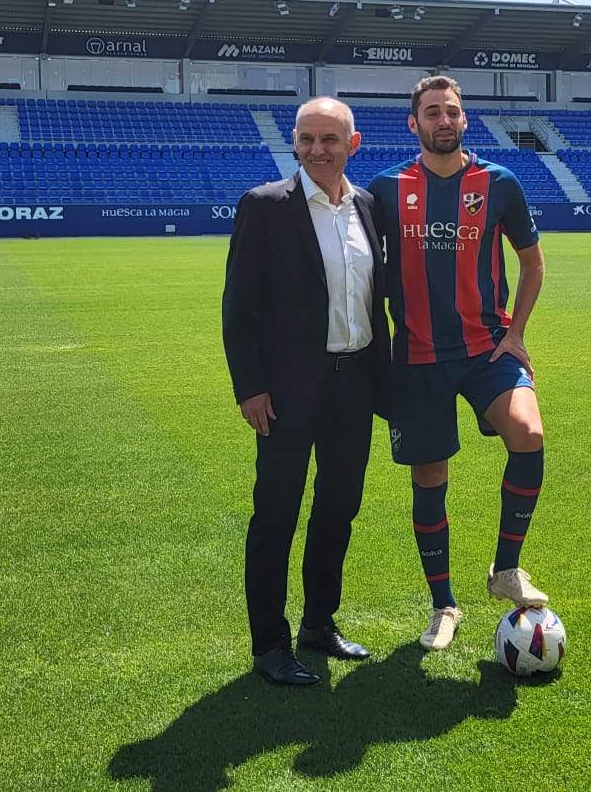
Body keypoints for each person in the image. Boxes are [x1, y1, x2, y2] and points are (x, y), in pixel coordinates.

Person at [368, 76, 550, 652]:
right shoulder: (386, 189)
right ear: (413, 123)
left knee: (528, 432)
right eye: (431, 112)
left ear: (464, 120)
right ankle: (443, 604)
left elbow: (533, 264)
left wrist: (516, 332)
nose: (443, 120)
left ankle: (506, 569)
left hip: (485, 350)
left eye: (452, 112)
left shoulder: (499, 183)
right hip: (417, 358)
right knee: (431, 477)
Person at [222, 97, 389, 685]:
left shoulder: (368, 207)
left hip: (354, 387)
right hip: (288, 392)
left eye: (330, 140)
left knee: (338, 509)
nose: (318, 150)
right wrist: (251, 388)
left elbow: (376, 304)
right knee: (276, 515)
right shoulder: (265, 206)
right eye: (307, 139)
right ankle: (270, 644)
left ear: (353, 144)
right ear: (294, 142)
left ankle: (320, 623)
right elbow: (238, 308)